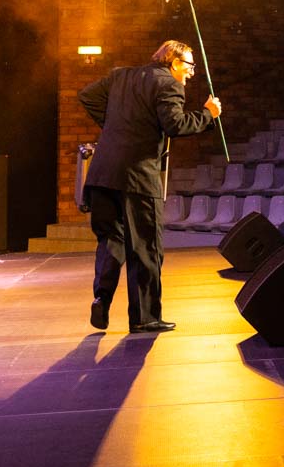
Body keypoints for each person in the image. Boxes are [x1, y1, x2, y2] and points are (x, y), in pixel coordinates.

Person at [78, 39, 222, 333]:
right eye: (190, 66)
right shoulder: (169, 84)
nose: (192, 73)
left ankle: (101, 298)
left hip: (103, 175)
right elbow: (176, 125)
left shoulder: (121, 75)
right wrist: (209, 114)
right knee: (145, 247)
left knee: (111, 241)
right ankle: (145, 318)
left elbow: (87, 96)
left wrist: (118, 126)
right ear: (175, 62)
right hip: (137, 177)